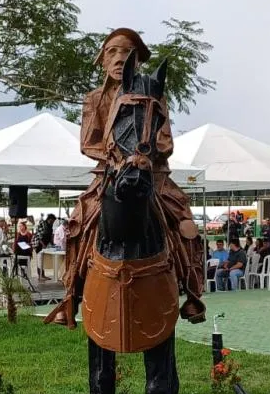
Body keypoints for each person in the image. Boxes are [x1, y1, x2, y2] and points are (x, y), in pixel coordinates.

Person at [44, 27, 205, 328]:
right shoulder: (94, 99)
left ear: (138, 62)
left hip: (152, 174)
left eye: (126, 53)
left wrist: (144, 156)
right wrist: (116, 157)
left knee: (183, 219)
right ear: (103, 61)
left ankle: (193, 293)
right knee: (80, 223)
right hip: (109, 173)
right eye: (112, 52)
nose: (119, 59)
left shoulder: (154, 92)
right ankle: (70, 297)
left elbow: (166, 142)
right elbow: (87, 143)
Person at [35, 214, 57, 280]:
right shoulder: (43, 224)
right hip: (40, 244)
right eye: (53, 221)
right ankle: (40, 276)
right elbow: (38, 235)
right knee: (39, 260)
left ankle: (43, 275)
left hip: (46, 245)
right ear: (50, 219)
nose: (53, 222)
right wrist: (43, 244)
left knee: (43, 260)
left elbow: (50, 236)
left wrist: (52, 244)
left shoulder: (50, 226)